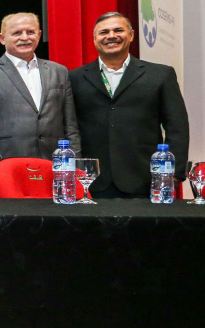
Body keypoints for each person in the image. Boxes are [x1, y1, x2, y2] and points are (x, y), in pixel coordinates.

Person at [69, 11, 189, 198]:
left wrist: (174, 172)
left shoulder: (160, 75)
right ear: (94, 39)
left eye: (118, 30)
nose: (111, 36)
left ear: (131, 35)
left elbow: (177, 126)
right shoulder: (74, 77)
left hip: (147, 179)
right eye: (104, 32)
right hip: (92, 181)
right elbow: (68, 126)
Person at [0, 12, 80, 159]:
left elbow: (70, 126)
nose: (25, 38)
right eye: (17, 33)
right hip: (8, 163)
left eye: (30, 32)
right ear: (2, 38)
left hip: (54, 164)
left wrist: (75, 166)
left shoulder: (59, 71)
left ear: (39, 35)